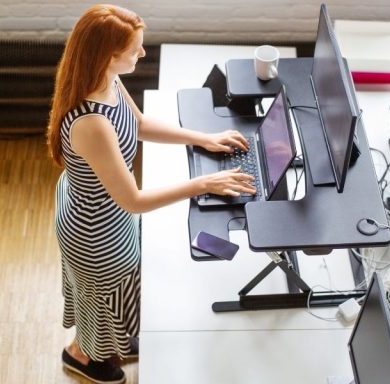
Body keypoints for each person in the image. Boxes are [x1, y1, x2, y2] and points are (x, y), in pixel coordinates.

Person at [45, 5, 256, 383]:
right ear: (109, 56)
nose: (142, 54)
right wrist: (204, 184)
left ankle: (106, 340)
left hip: (102, 209)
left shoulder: (105, 79)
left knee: (111, 298)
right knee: (104, 300)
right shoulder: (91, 123)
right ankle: (83, 357)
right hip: (96, 231)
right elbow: (134, 201)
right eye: (135, 50)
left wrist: (203, 137)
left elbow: (139, 125)